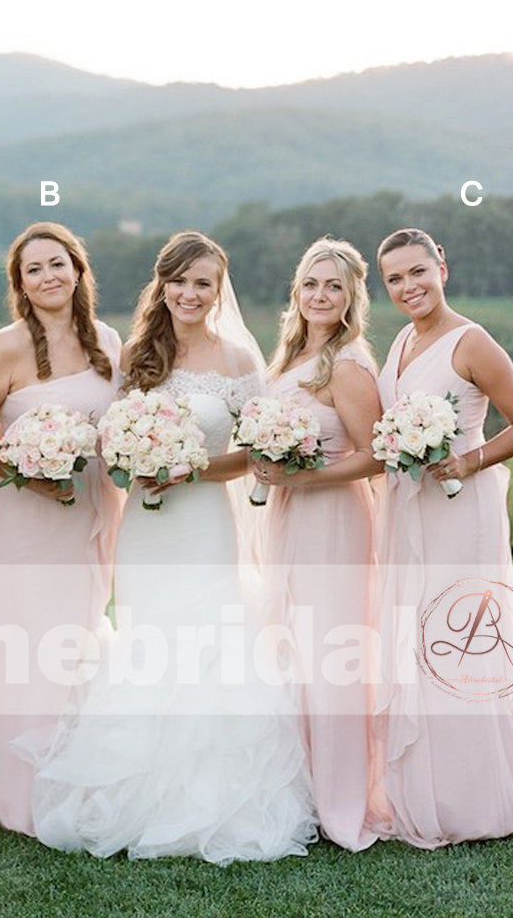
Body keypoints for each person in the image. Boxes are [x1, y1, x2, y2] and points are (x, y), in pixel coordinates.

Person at [26, 231, 318, 864]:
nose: (190, 293)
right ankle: (140, 791)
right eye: (180, 281)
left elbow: (255, 452)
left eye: (203, 283)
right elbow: (112, 440)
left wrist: (191, 469)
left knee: (208, 642)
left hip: (206, 521)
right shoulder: (136, 354)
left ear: (218, 290)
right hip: (147, 528)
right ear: (162, 285)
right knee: (148, 640)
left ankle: (209, 796)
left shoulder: (240, 360)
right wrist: (139, 460)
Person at [373, 227, 513, 848]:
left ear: (443, 265)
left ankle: (476, 797)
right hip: (413, 508)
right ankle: (426, 789)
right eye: (395, 278)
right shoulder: (401, 341)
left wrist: (468, 462)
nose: (409, 286)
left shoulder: (472, 342)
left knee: (460, 637)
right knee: (419, 636)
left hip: (460, 507)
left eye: (419, 271)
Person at [0, 221, 124, 836]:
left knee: (77, 638)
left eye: (58, 264)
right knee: (24, 642)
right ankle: (18, 796)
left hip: (89, 510)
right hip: (25, 517)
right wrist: (24, 471)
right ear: (20, 285)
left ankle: (74, 778)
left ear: (78, 271)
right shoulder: (5, 346)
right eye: (34, 269)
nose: (48, 276)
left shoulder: (108, 340)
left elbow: (120, 424)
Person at [252, 236, 385, 851]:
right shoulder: (287, 362)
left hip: (332, 516)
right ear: (296, 292)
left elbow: (372, 458)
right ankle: (299, 791)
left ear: (351, 296)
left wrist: (304, 475)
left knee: (331, 654)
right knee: (293, 650)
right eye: (311, 283)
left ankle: (340, 799)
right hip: (289, 514)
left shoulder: (349, 364)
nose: (321, 295)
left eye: (334, 285)